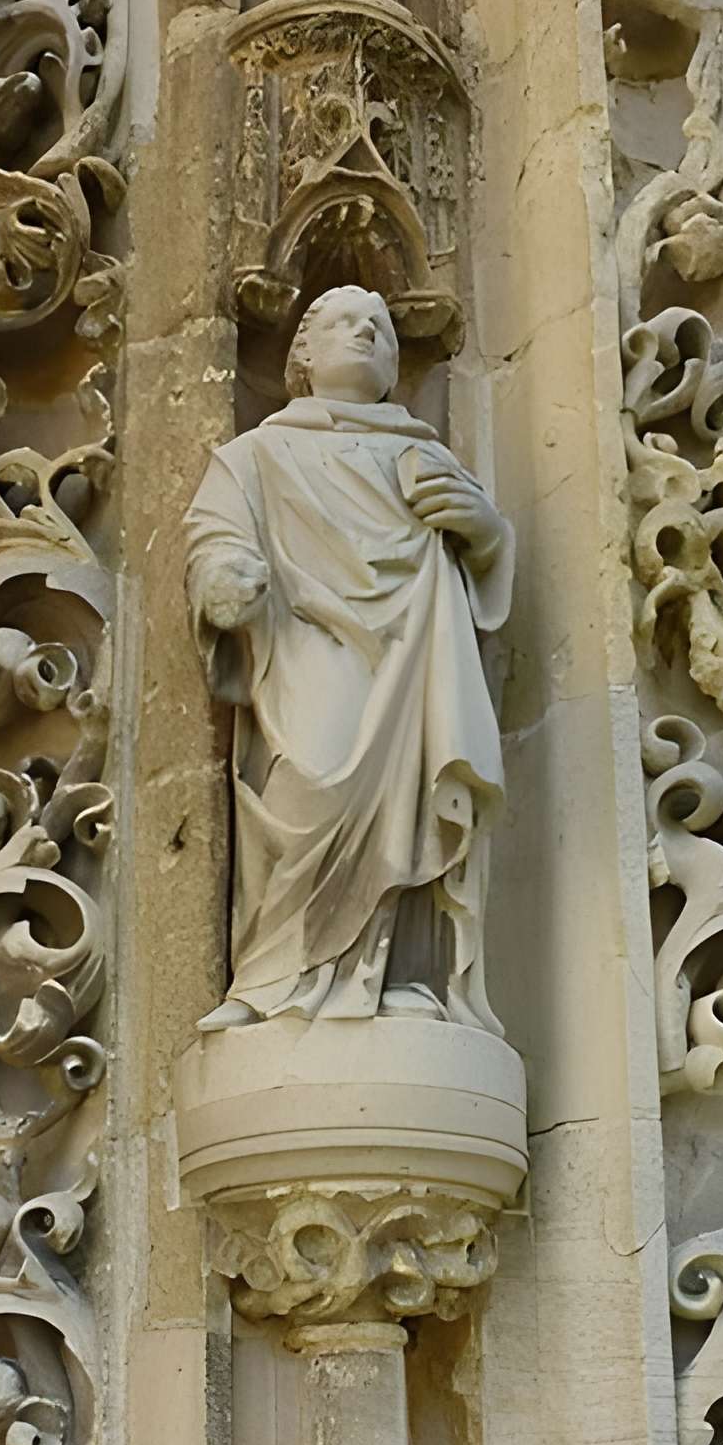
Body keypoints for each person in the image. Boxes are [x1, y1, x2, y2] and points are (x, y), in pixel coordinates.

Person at [183, 284, 514, 1032]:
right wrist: (223, 577)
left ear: (398, 365)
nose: (363, 331)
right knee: (310, 780)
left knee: (419, 790)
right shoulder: (258, 455)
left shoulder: (425, 457)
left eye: (380, 327)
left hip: (413, 658)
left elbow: (480, 568)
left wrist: (487, 532)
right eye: (342, 321)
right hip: (305, 648)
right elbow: (214, 533)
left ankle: (404, 974)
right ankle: (276, 979)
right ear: (303, 351)